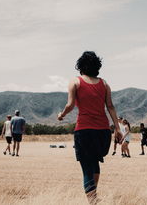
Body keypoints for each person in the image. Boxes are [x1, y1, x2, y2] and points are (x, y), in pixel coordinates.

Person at [57, 51, 122, 205]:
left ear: (80, 65)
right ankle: (94, 197)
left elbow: (70, 105)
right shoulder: (104, 84)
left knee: (87, 167)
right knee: (95, 163)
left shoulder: (75, 82)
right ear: (97, 66)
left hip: (84, 130)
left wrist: (61, 115)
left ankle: (92, 202)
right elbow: (111, 107)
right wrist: (117, 128)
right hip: (103, 131)